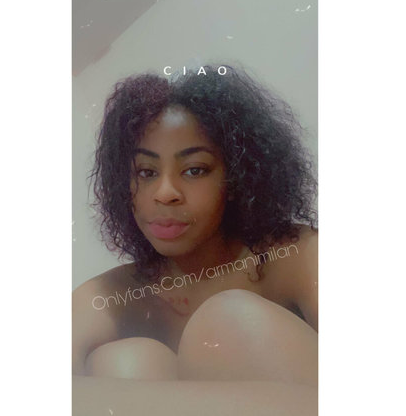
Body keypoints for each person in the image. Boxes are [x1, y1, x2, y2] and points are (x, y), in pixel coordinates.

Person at [72, 65, 318, 415]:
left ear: (236, 177)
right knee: (126, 361)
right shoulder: (110, 296)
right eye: (146, 172)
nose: (165, 193)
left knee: (227, 322)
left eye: (194, 170)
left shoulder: (296, 255)